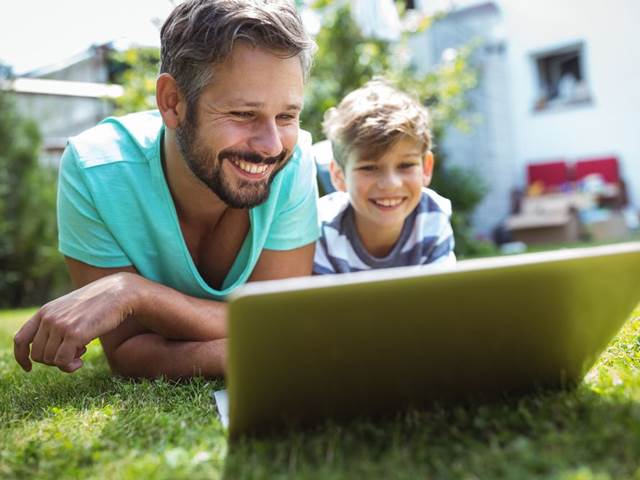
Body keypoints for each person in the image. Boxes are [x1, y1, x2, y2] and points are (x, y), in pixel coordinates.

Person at [13, 0, 319, 378]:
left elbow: (281, 322)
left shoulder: (294, 161)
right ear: (172, 103)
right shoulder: (96, 171)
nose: (272, 145)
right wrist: (262, 347)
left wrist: (134, 293)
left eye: (287, 115)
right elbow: (129, 350)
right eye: (243, 114)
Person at [313, 80, 456, 274]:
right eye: (369, 168)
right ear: (338, 176)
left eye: (405, 165)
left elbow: (440, 299)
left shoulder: (432, 216)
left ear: (426, 168)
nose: (390, 184)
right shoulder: (320, 229)